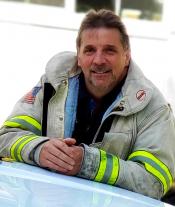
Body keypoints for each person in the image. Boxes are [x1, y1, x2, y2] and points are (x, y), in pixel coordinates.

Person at [0, 9, 175, 200]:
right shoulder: (52, 84)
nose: (99, 61)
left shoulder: (153, 107)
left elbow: (154, 181)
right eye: (90, 50)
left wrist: (88, 163)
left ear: (127, 57)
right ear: (79, 56)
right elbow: (6, 137)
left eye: (110, 50)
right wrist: (38, 149)